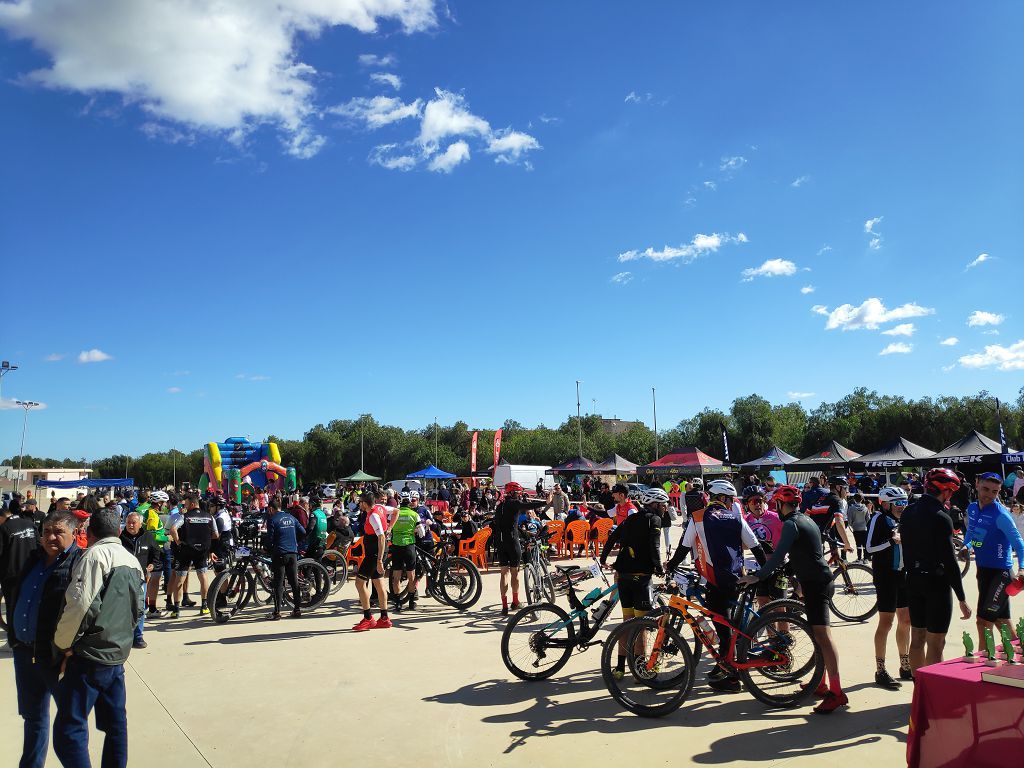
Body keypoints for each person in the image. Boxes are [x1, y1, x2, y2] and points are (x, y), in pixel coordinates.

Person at [739, 484, 847, 714]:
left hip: (816, 584)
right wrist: (786, 572)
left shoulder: (790, 524)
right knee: (820, 637)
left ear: (779, 504)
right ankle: (821, 683)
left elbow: (778, 555)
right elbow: (800, 555)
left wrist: (758, 576)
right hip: (818, 581)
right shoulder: (805, 520)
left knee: (824, 638)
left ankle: (836, 692)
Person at [52, 507, 143, 768]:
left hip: (89, 658)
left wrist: (62, 643)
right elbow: (137, 610)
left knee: (69, 730)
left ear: (89, 533)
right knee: (116, 726)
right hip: (116, 658)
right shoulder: (131, 560)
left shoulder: (95, 556)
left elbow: (81, 606)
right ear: (118, 531)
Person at [669, 480, 765, 692]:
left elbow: (684, 548)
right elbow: (755, 546)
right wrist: (764, 571)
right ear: (723, 498)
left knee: (723, 627)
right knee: (726, 623)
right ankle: (723, 665)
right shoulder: (737, 518)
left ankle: (731, 676)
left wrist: (670, 566)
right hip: (735, 579)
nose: (731, 504)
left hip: (714, 580)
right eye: (730, 500)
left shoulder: (698, 517)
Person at [8, 509, 82, 768]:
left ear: (75, 534)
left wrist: (74, 650)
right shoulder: (33, 559)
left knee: (71, 723)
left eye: (58, 532)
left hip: (57, 657)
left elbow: (89, 609)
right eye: (47, 531)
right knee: (33, 718)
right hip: (24, 652)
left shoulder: (79, 563)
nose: (51, 537)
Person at [900, 467, 972, 673]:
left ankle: (918, 691)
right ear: (947, 491)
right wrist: (961, 598)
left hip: (913, 580)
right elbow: (949, 561)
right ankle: (931, 693)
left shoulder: (908, 512)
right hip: (935, 583)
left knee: (917, 639)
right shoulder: (941, 516)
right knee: (936, 642)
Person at [600, 487, 664, 680]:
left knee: (627, 623)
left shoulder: (631, 518)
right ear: (656, 505)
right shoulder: (654, 519)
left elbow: (612, 537)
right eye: (664, 505)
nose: (665, 508)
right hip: (641, 577)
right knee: (642, 626)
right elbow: (654, 546)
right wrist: (659, 568)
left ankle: (620, 668)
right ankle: (640, 670)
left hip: (623, 576)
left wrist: (603, 559)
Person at [964, 472, 1024, 650]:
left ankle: (983, 661)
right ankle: (1019, 653)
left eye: (995, 491)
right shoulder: (972, 508)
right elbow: (971, 532)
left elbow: (1020, 545)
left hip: (1001, 574)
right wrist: (966, 546)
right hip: (982, 571)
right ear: (976, 484)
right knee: (1001, 621)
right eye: (985, 489)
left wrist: (1022, 568)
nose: (989, 495)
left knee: (983, 622)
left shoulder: (1001, 514)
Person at [866, 487, 913, 688]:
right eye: (899, 503)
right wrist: (890, 542)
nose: (903, 507)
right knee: (886, 622)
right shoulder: (879, 519)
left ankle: (905, 664)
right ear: (885, 504)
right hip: (885, 576)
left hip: (902, 574)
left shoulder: (901, 520)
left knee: (906, 620)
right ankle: (880, 670)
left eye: (905, 503)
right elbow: (869, 548)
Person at [492, 482, 544, 616]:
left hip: (500, 542)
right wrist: (545, 502)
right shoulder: (514, 503)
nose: (519, 495)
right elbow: (529, 506)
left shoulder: (500, 506)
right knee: (515, 572)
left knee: (504, 573)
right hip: (512, 541)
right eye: (518, 493)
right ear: (513, 493)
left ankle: (504, 606)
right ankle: (515, 602)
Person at [167, 495, 219, 618]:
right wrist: (205, 539)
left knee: (180, 579)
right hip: (202, 551)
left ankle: (176, 609)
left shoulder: (184, 517)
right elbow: (216, 534)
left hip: (186, 550)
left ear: (191, 504)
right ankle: (204, 606)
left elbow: (173, 529)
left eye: (185, 504)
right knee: (203, 577)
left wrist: (178, 542)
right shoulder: (209, 517)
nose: (184, 507)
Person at [119, 512, 160, 649]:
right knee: (123, 608)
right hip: (122, 578)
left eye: (133, 523)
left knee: (140, 608)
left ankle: (138, 636)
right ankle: (124, 636)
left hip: (141, 578)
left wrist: (152, 564)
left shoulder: (147, 536)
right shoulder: (120, 537)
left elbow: (156, 553)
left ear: (140, 523)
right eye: (128, 522)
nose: (130, 525)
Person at [353, 492, 391, 631]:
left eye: (360, 502)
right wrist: (390, 526)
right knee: (379, 584)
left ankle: (368, 618)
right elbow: (396, 511)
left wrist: (380, 560)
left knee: (359, 583)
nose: (359, 504)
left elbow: (381, 537)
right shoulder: (380, 507)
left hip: (374, 554)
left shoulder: (373, 515)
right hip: (377, 552)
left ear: (365, 503)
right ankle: (384, 618)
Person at [1, 502, 39, 637]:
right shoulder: (30, 524)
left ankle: (14, 637)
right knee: (29, 605)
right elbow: (39, 546)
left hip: (11, 576)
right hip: (32, 573)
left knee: (12, 607)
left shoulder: (4, 528)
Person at [265, 499, 305, 620]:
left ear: (271, 508)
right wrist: (294, 542)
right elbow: (303, 532)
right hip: (292, 553)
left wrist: (267, 548)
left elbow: (270, 539)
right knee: (294, 582)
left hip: (280, 553)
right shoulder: (291, 517)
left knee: (278, 583)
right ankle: (297, 609)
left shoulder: (272, 519)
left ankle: (277, 612)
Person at [807, 476, 856, 558]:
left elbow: (808, 514)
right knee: (822, 570)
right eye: (845, 488)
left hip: (809, 535)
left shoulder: (822, 497)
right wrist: (847, 543)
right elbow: (839, 522)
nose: (847, 492)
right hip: (814, 539)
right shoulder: (837, 500)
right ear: (838, 487)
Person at [388, 493, 420, 613]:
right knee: (411, 576)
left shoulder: (394, 514)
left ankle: (397, 603)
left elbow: (389, 527)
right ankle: (411, 602)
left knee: (396, 577)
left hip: (396, 546)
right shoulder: (414, 514)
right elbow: (420, 530)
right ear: (410, 503)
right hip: (409, 546)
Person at [847, 492, 870, 562]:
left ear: (854, 499)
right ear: (862, 499)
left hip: (856, 529)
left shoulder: (851, 508)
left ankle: (859, 558)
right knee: (865, 544)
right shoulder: (865, 508)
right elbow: (868, 519)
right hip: (864, 528)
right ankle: (866, 558)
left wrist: (851, 524)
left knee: (858, 544)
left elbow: (849, 519)